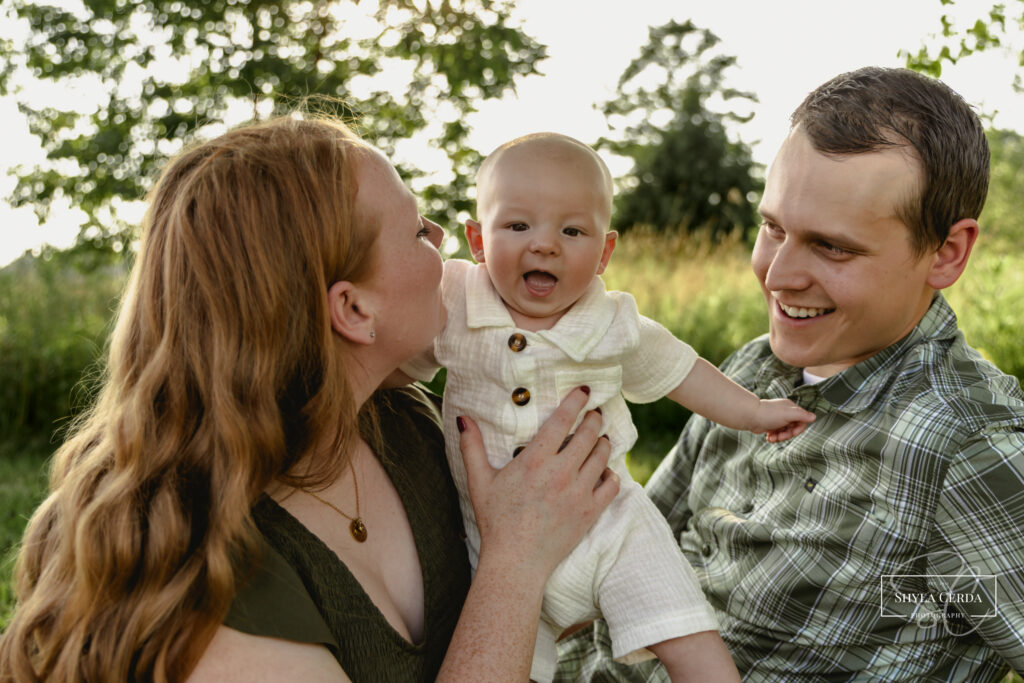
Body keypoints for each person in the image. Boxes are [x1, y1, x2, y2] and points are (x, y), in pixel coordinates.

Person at [0, 115, 624, 682]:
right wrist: (515, 564)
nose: (441, 238)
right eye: (415, 230)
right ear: (353, 309)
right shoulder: (213, 598)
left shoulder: (399, 420)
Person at [557, 66, 1024, 681]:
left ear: (946, 253)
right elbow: (627, 539)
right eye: (773, 228)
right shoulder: (750, 366)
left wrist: (936, 608)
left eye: (832, 247)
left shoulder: (965, 446)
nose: (777, 276)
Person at [399, 132, 815, 682]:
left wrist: (755, 411)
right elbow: (393, 348)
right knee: (506, 653)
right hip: (489, 539)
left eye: (572, 231)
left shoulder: (614, 324)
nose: (545, 245)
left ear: (604, 253)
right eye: (518, 226)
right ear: (477, 239)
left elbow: (682, 372)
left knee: (686, 630)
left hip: (611, 522)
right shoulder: (454, 299)